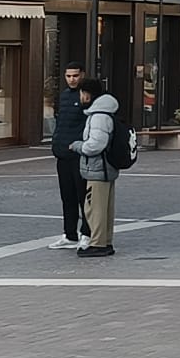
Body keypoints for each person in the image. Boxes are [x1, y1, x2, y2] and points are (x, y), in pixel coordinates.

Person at [72, 79, 121, 259]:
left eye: (82, 92)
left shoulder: (99, 116)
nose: (81, 96)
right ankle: (105, 241)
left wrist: (78, 146)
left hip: (97, 167)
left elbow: (95, 145)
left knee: (94, 207)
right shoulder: (108, 112)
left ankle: (97, 243)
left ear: (87, 94)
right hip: (107, 167)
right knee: (105, 207)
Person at [50, 62, 90, 249]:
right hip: (62, 156)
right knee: (67, 197)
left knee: (84, 197)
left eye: (75, 75)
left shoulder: (87, 96)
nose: (72, 79)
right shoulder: (64, 96)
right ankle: (70, 234)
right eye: (68, 76)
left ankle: (87, 234)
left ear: (82, 74)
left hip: (79, 155)